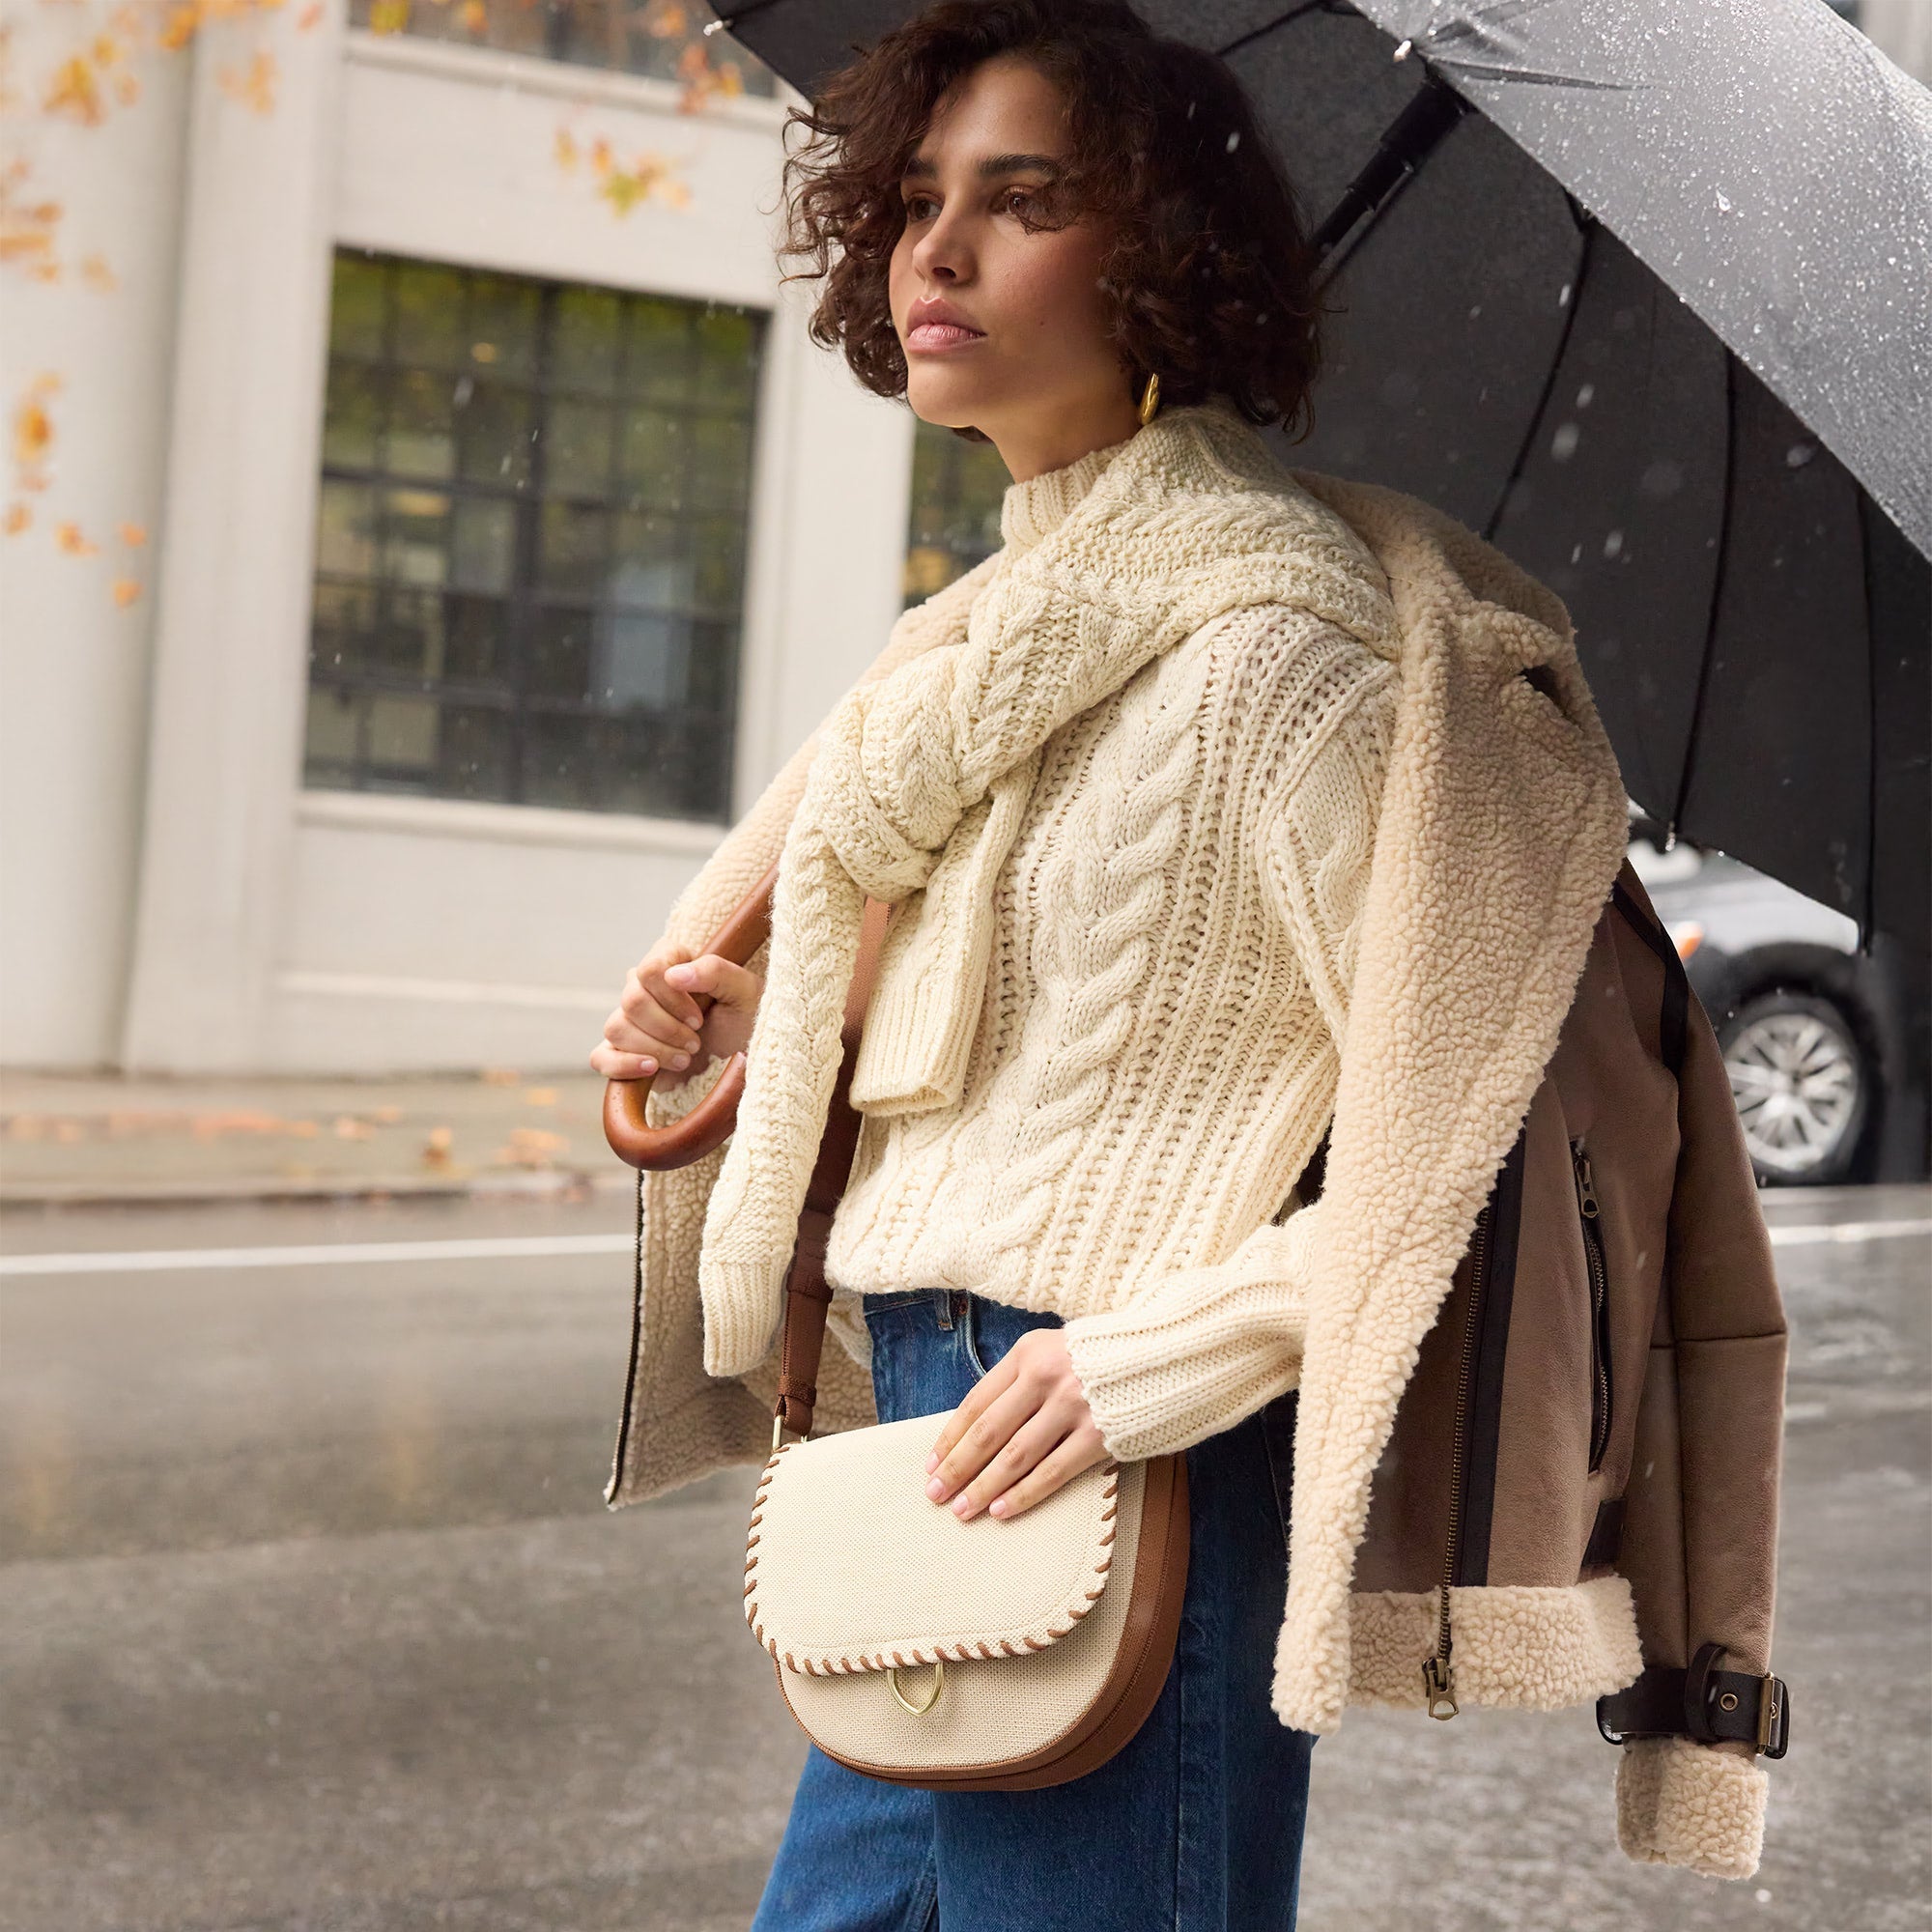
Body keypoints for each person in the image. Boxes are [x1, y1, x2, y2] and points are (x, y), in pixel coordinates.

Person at [592, 0, 1777, 1922]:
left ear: (1156, 258)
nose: (935, 254)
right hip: (922, 1428)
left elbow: (1455, 1144)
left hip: (1113, 1439)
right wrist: (755, 1031)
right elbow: (1041, 1041)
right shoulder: (979, 652)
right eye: (912, 200)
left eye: (1021, 199)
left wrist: (1163, 1359)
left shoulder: (1276, 656)